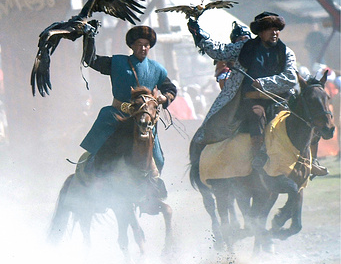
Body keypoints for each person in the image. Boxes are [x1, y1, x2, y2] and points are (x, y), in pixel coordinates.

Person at [188, 11, 298, 170]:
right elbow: (220, 51)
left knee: (305, 116)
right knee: (257, 114)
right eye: (269, 29)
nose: (274, 33)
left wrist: (264, 83)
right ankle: (259, 154)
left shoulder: (287, 52)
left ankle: (308, 159)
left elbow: (290, 77)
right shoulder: (243, 47)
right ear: (260, 32)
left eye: (277, 29)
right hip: (249, 101)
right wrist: (200, 34)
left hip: (280, 100)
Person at [80, 25, 177, 179]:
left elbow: (170, 88)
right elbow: (91, 60)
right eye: (139, 44)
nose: (143, 48)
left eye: (146, 45)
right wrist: (89, 37)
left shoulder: (157, 69)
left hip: (144, 120)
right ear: (132, 46)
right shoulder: (117, 62)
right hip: (118, 114)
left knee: (158, 159)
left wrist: (165, 98)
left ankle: (155, 185)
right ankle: (91, 163)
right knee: (101, 141)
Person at [214, 21, 251, 90]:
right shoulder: (226, 56)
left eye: (246, 38)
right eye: (240, 39)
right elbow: (225, 84)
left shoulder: (256, 51)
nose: (243, 42)